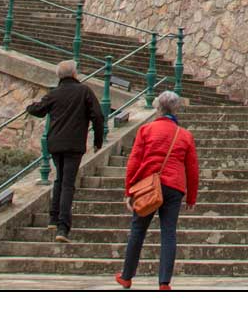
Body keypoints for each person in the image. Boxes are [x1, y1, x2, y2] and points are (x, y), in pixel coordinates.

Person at [117, 90, 200, 291]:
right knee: (169, 232)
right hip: (174, 187)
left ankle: (127, 277)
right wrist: (191, 197)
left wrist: (129, 190)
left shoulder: (146, 130)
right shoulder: (185, 135)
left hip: (147, 184)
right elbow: (192, 168)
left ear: (158, 108)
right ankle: (164, 282)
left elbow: (134, 161)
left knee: (137, 230)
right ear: (176, 109)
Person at [27, 59, 104, 242]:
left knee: (59, 179)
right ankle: (63, 228)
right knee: (68, 183)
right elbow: (98, 116)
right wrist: (98, 141)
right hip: (74, 144)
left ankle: (53, 218)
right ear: (75, 74)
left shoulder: (55, 93)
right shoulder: (84, 91)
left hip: (55, 143)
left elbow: (38, 109)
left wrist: (29, 106)